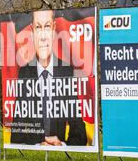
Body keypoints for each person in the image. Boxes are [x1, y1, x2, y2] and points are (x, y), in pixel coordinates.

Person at [10, 10, 87, 146]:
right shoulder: (25, 73)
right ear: (32, 31)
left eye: (47, 26)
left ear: (54, 29)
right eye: (38, 27)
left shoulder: (66, 71)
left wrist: (62, 145)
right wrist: (37, 146)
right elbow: (16, 136)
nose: (43, 37)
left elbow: (80, 135)